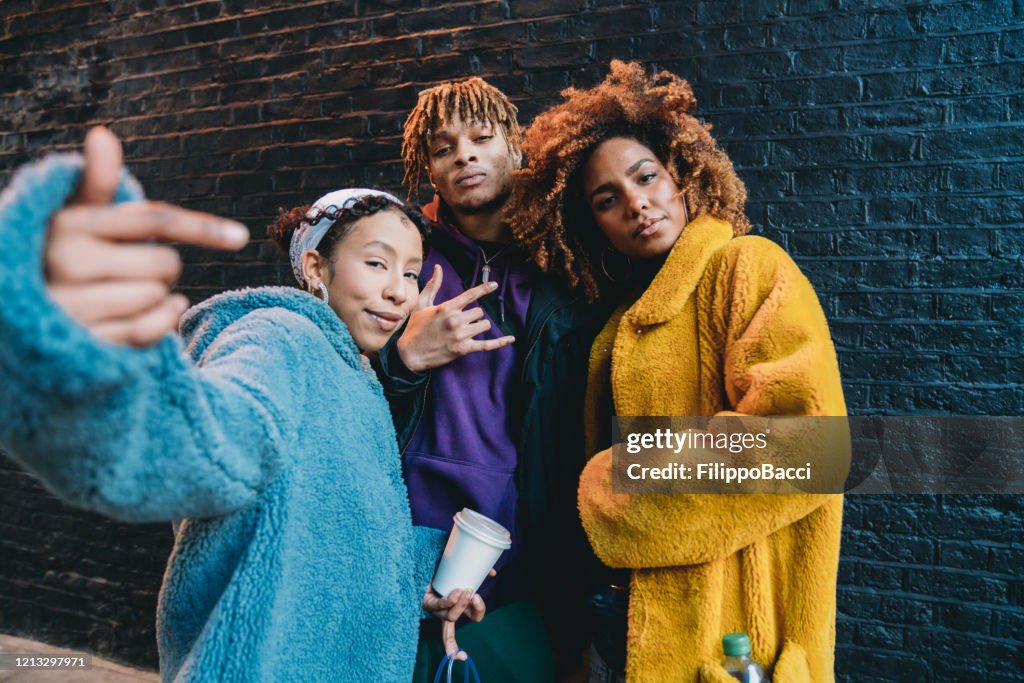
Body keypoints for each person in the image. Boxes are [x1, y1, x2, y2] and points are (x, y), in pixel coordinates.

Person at [0, 127, 486, 682]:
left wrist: (420, 580)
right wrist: (69, 353)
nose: (401, 291)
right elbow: (196, 446)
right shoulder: (278, 339)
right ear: (314, 269)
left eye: (409, 272)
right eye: (377, 264)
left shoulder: (357, 373)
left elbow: (337, 528)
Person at [507, 61, 847, 682]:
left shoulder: (748, 267)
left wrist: (620, 484)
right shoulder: (618, 324)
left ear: (684, 177)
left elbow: (809, 448)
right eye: (607, 200)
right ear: (597, 228)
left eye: (646, 177)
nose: (636, 203)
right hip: (619, 626)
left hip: (729, 633)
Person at [378, 78, 611, 681]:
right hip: (408, 537)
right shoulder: (402, 257)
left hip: (530, 544)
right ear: (426, 169)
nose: (464, 156)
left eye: (481, 138)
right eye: (443, 148)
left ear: (514, 147)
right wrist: (404, 359)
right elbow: (344, 392)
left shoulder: (568, 261)